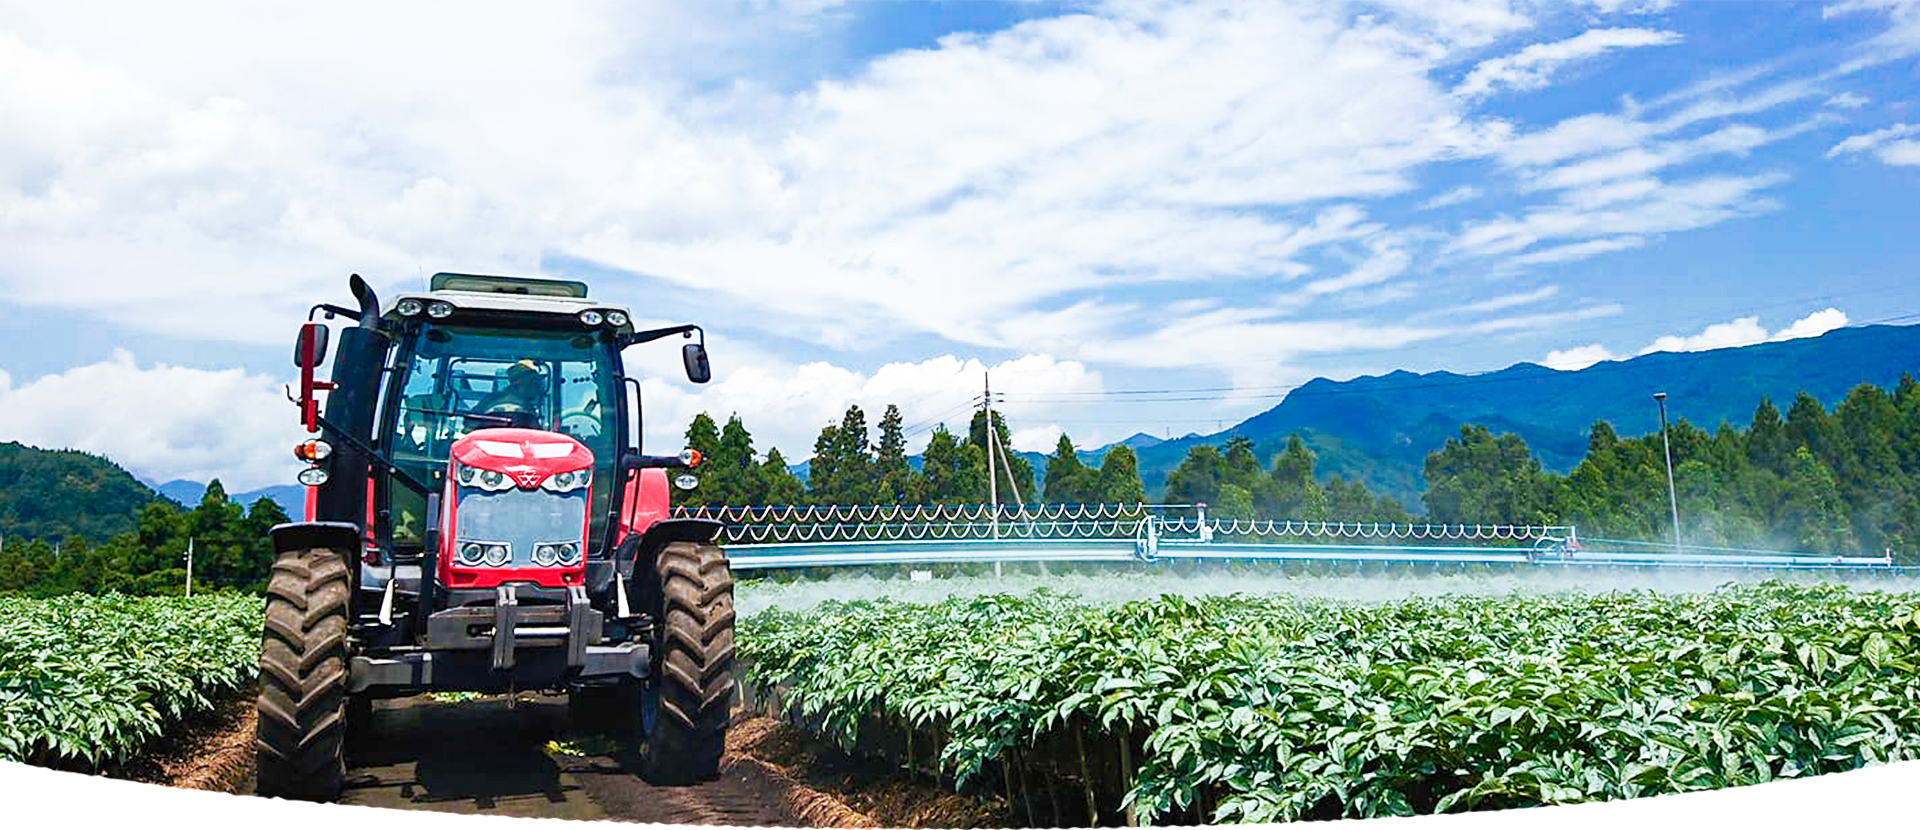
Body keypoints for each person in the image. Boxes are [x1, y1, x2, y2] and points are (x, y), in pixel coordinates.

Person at [474, 359, 546, 428]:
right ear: (519, 383)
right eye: (535, 383)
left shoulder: (527, 405)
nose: (538, 388)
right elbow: (470, 423)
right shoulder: (493, 400)